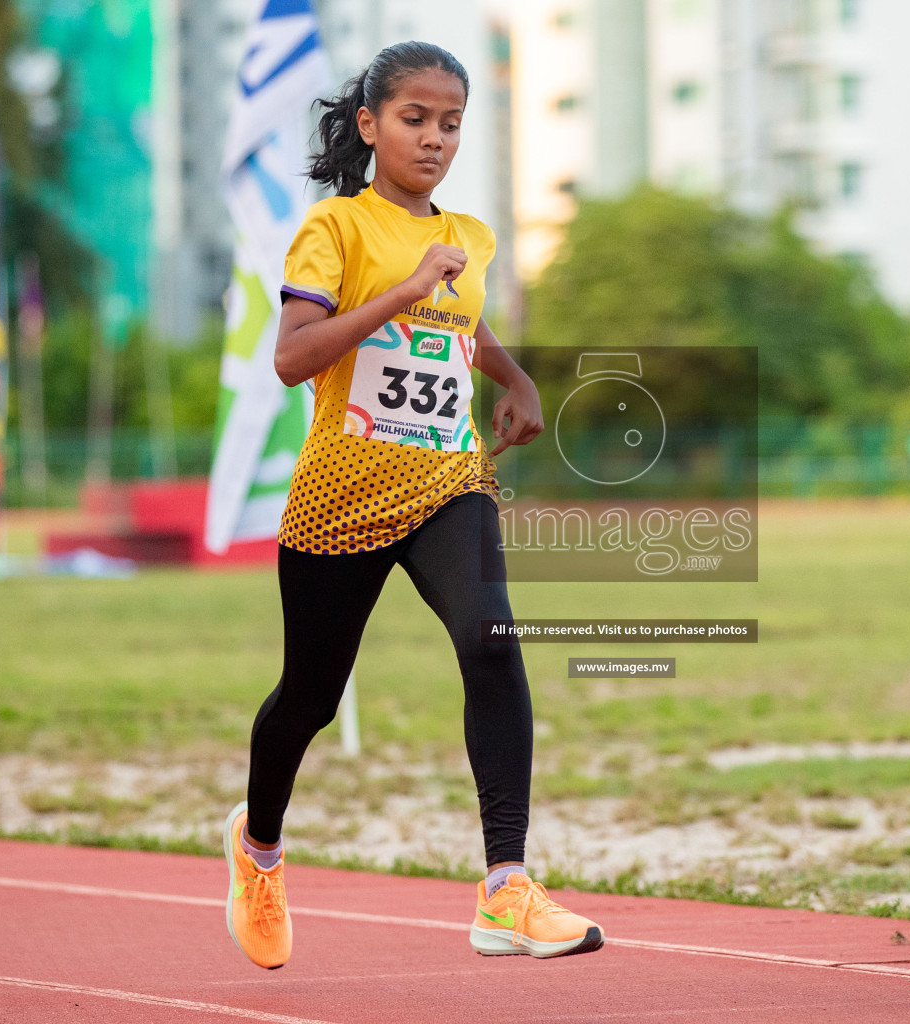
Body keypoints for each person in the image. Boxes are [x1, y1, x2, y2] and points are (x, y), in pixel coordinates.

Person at [222, 41, 604, 970]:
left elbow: (461, 322)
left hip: (445, 479)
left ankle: (506, 886)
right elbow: (292, 358)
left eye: (452, 123)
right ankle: (258, 846)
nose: (436, 139)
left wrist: (515, 379)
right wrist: (395, 293)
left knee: (491, 639)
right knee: (307, 698)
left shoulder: (469, 235)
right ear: (369, 125)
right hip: (340, 494)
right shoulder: (335, 230)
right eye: (415, 119)